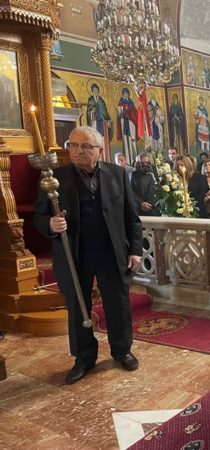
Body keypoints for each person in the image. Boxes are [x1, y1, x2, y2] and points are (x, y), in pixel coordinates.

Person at [33, 126, 142, 385]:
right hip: (75, 255)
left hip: (111, 252)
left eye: (85, 146)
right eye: (73, 145)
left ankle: (122, 350)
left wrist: (135, 250)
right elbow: (39, 216)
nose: (78, 151)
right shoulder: (54, 178)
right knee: (78, 307)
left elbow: (131, 217)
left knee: (118, 303)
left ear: (99, 151)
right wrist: (50, 224)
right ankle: (84, 357)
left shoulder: (117, 174)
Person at [131, 152, 160, 216]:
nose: (145, 165)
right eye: (142, 163)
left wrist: (151, 204)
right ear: (139, 163)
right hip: (140, 209)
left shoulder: (158, 174)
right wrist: (141, 203)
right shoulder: (134, 175)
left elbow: (161, 190)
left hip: (155, 209)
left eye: (147, 162)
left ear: (150, 162)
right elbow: (131, 191)